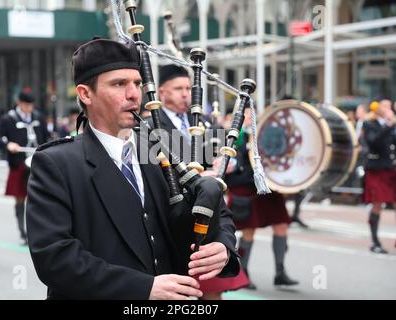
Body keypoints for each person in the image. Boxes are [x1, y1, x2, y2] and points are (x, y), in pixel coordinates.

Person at [25, 38, 239, 299]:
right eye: (118, 84)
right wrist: (142, 288)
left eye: (137, 83)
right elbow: (55, 259)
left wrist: (222, 246)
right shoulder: (57, 163)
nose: (134, 94)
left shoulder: (161, 145)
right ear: (85, 94)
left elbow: (215, 207)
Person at [154, 64, 249, 299]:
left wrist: (224, 166)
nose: (186, 93)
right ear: (161, 92)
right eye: (178, 88)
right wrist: (197, 179)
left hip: (210, 215)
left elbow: (217, 159)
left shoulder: (203, 122)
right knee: (181, 291)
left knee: (211, 291)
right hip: (175, 218)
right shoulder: (151, 126)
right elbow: (156, 174)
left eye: (188, 87)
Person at [222, 107, 299, 289]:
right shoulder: (232, 135)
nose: (250, 117)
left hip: (268, 187)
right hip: (246, 187)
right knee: (249, 230)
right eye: (246, 114)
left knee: (281, 224)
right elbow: (228, 165)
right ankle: (243, 271)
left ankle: (280, 272)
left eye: (252, 114)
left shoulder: (267, 134)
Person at [0, 90, 50, 244]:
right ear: (19, 103)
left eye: (31, 105)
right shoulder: (8, 119)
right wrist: (8, 144)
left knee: (41, 199)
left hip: (38, 162)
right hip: (18, 163)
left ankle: (39, 232)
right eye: (26, 105)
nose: (28, 108)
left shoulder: (39, 117)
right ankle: (22, 232)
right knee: (20, 199)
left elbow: (47, 137)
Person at [362, 98, 396, 254]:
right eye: (385, 106)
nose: (388, 109)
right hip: (377, 169)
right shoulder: (369, 124)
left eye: (390, 106)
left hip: (392, 169)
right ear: (378, 109)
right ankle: (375, 241)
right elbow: (374, 142)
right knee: (377, 204)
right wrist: (388, 125)